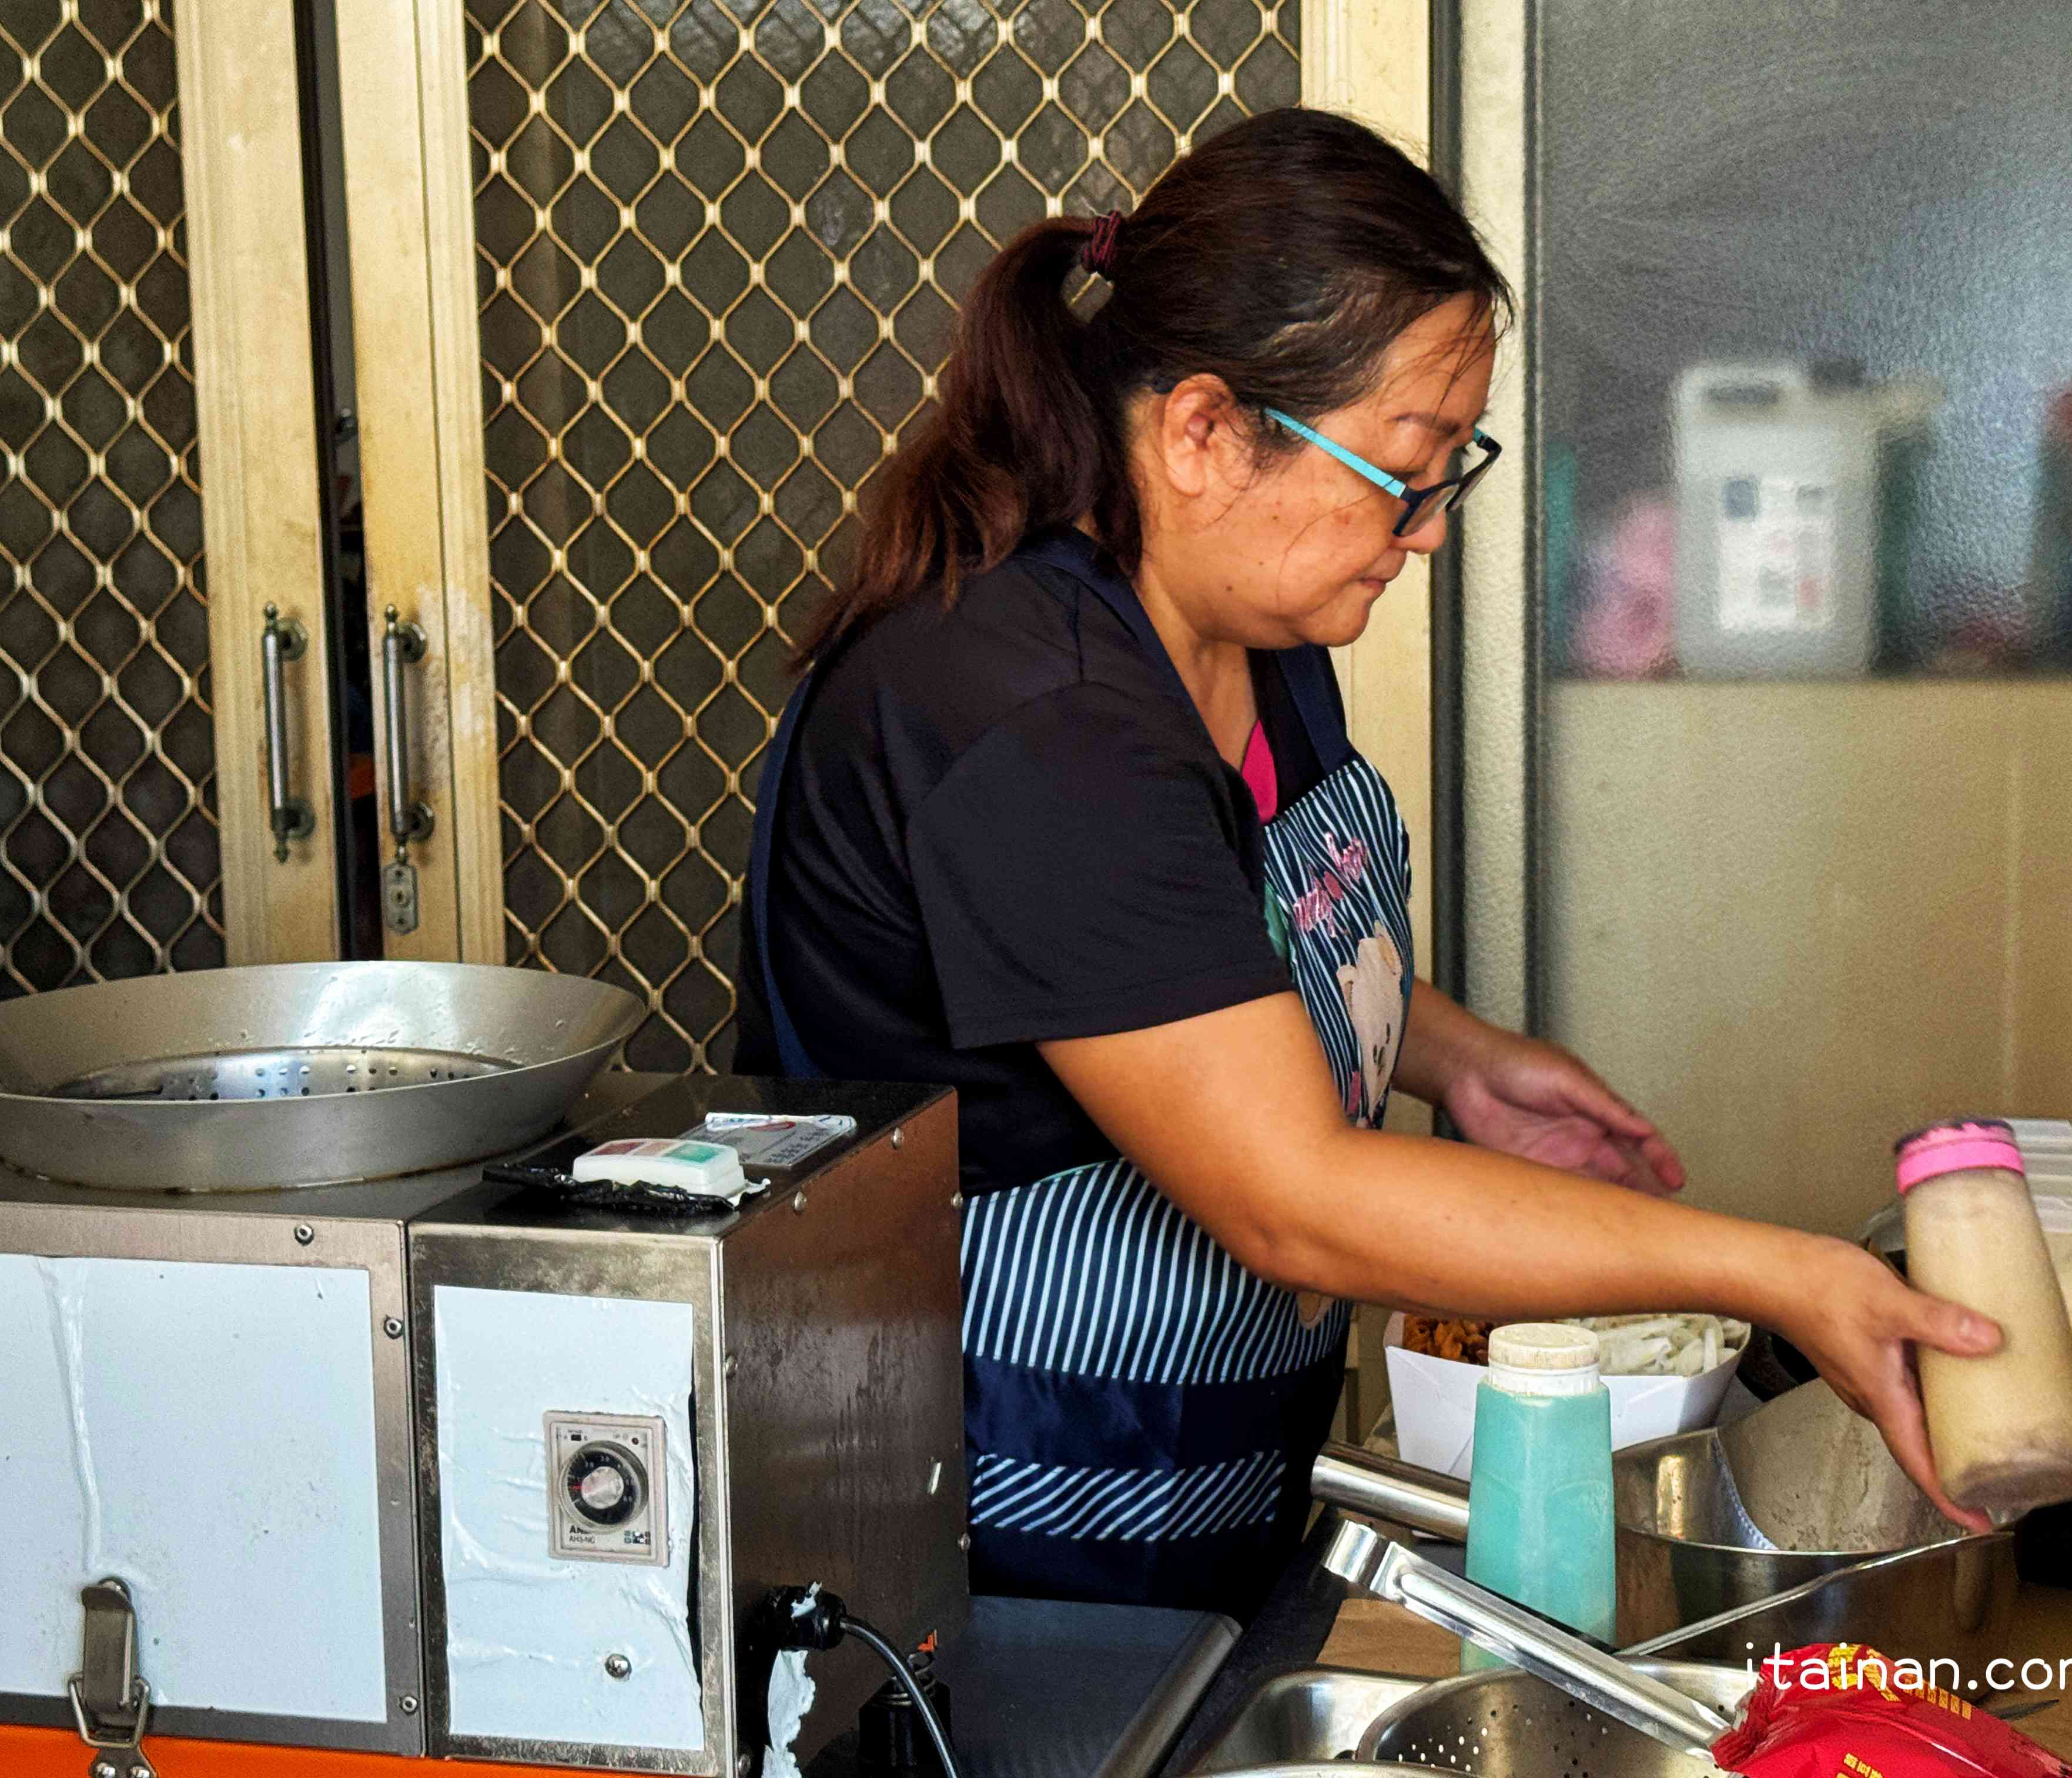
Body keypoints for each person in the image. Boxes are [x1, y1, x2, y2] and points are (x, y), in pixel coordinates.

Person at [738, 108, 1998, 1620]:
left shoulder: (1241, 626)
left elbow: (1193, 944)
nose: (1428, 534)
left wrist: (1455, 1058)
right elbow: (1295, 1199)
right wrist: (1777, 1272)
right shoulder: (1035, 718)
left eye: (1449, 465)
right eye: (1401, 468)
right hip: (1001, 1536)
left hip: (1213, 1474)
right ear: (1204, 432)